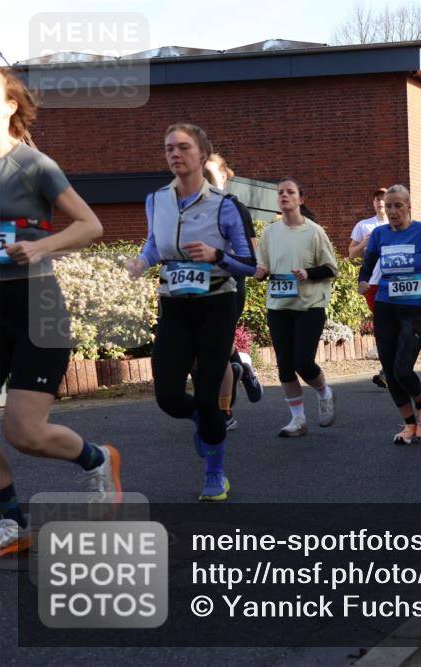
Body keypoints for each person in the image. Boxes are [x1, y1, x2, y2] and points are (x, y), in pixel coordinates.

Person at [0, 68, 121, 556]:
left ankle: (97, 459)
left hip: (37, 304)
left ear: (10, 105)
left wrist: (42, 245)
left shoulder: (34, 165)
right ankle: (11, 520)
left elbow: (91, 224)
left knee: (23, 432)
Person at [126, 123, 256, 501]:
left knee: (207, 393)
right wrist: (141, 262)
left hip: (216, 304)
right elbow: (155, 244)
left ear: (202, 155)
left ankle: (215, 474)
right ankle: (201, 419)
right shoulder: (156, 200)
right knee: (168, 396)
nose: (175, 154)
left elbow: (249, 264)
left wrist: (217, 256)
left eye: (183, 147)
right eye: (169, 148)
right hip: (174, 304)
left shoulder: (226, 206)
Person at [359, 184, 421, 444]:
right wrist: (363, 281)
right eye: (389, 206)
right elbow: (368, 264)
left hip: (415, 309)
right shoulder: (379, 234)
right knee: (390, 372)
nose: (393, 211)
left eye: (398, 206)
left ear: (408, 207)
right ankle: (409, 424)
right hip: (384, 307)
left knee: (402, 369)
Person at [254, 177, 339, 437]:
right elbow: (264, 266)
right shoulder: (270, 233)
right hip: (278, 306)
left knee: (302, 362)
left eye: (290, 192)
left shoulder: (314, 231)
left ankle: (324, 392)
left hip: (309, 306)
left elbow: (331, 269)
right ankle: (298, 419)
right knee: (284, 366)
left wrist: (307, 272)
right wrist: (260, 272)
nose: (284, 195)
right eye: (280, 192)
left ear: (301, 199)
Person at [204, 154, 263, 430]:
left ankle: (223, 411)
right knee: (206, 344)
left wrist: (220, 258)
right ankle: (241, 367)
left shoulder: (234, 207)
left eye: (209, 175)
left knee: (216, 342)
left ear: (223, 178)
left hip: (228, 285)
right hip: (197, 287)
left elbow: (250, 253)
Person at [349, 187, 390, 388]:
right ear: (373, 203)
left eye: (383, 198)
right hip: (373, 282)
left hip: (395, 281)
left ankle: (390, 370)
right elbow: (351, 254)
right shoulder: (364, 225)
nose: (380, 201)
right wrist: (364, 242)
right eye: (377, 199)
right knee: (382, 325)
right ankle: (388, 369)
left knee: (393, 325)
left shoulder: (398, 225)